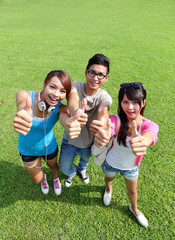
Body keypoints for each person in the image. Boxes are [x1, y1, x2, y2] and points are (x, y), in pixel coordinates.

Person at [92, 82, 159, 227]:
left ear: (143, 103)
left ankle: (134, 209)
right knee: (108, 179)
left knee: (133, 192)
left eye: (135, 102)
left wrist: (144, 141)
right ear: (120, 102)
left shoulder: (149, 125)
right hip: (111, 163)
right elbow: (109, 127)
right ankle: (108, 189)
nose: (130, 107)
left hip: (131, 168)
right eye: (125, 102)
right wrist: (104, 134)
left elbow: (151, 134)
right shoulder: (115, 120)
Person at [13, 70, 81, 195]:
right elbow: (22, 104)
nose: (56, 94)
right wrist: (23, 114)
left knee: (54, 168)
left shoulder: (60, 108)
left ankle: (55, 178)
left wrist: (69, 124)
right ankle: (44, 179)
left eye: (62, 91)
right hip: (27, 150)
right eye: (52, 87)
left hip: (49, 147)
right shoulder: (26, 96)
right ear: (44, 84)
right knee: (37, 179)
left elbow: (64, 118)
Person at [59, 54, 112, 187]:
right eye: (92, 72)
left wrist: (102, 123)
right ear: (86, 72)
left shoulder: (105, 96)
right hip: (69, 141)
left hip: (89, 143)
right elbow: (72, 99)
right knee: (64, 168)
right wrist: (76, 111)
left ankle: (81, 171)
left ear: (106, 78)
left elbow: (103, 110)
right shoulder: (74, 86)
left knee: (84, 163)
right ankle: (71, 173)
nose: (95, 78)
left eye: (100, 75)